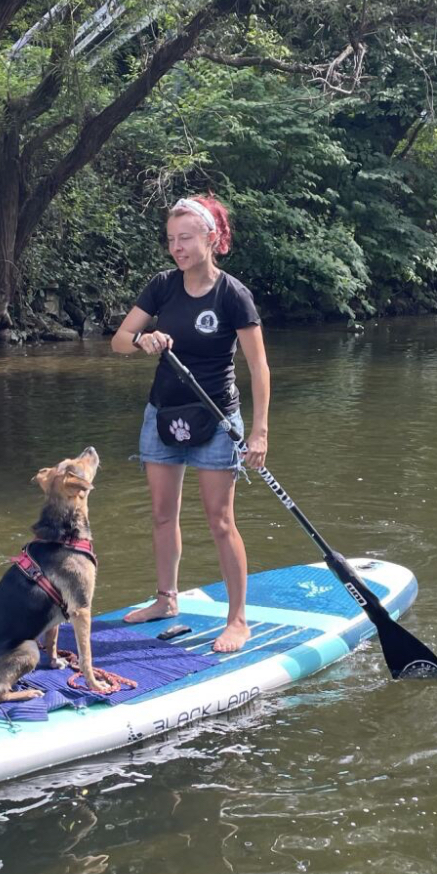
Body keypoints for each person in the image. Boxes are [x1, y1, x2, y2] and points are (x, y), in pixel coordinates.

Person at [111, 194, 270, 653]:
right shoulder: (162, 286)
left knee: (220, 520)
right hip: (163, 415)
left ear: (212, 239)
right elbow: (119, 341)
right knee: (163, 514)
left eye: (186, 238)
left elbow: (258, 368)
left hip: (217, 418)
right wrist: (144, 340)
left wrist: (258, 432)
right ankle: (166, 600)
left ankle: (238, 620)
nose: (177, 247)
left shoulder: (232, 294)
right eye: (171, 240)